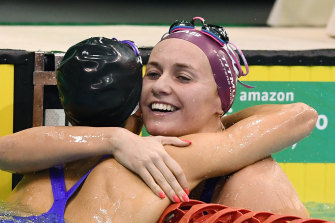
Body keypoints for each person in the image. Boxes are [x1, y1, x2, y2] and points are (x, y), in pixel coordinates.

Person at [0, 18, 317, 222]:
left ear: (221, 99)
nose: (160, 86)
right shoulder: (143, 157)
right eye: (152, 73)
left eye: (183, 77)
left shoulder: (252, 180)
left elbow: (302, 115)